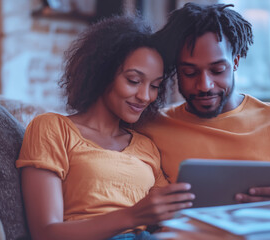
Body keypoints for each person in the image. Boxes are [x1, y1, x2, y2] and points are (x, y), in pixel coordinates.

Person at [138, 3, 270, 206]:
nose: (204, 85)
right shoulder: (152, 125)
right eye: (189, 73)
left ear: (235, 62)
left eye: (217, 70)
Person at [16, 16, 194, 240]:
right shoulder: (53, 129)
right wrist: (132, 216)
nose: (145, 96)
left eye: (155, 86)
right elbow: (45, 233)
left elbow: (168, 220)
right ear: (102, 72)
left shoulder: (146, 146)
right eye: (133, 80)